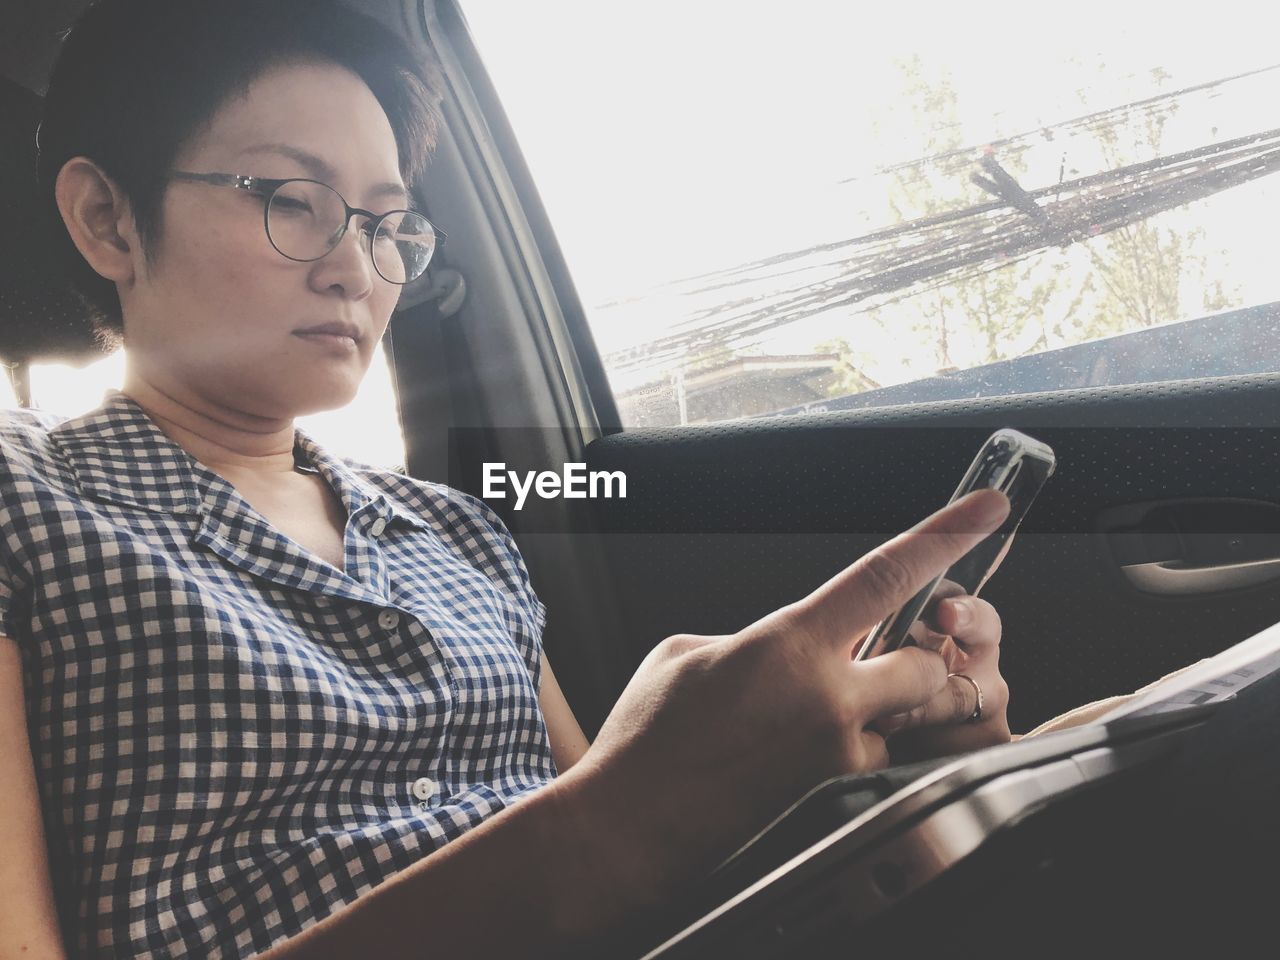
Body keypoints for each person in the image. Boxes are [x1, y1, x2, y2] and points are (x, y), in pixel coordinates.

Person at [0, 1, 1027, 957]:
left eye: (382, 223)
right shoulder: (24, 501)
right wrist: (629, 813)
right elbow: (607, 833)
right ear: (107, 218)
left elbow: (630, 871)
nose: (355, 269)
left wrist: (912, 760)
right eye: (294, 201)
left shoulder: (455, 530)